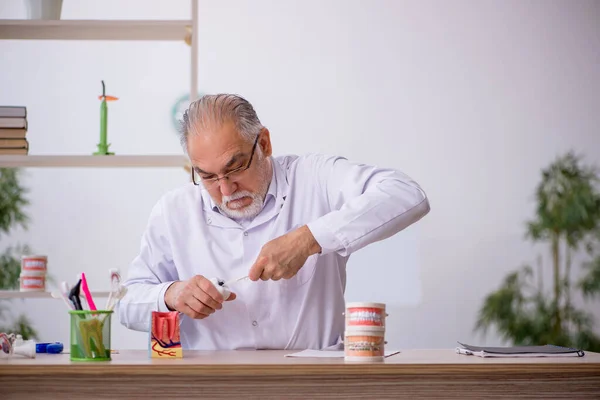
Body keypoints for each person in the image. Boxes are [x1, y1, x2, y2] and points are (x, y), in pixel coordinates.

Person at [118, 94, 430, 350]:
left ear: (264, 143)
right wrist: (171, 295)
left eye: (236, 167)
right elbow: (128, 304)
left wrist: (310, 238)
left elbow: (407, 194)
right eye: (208, 176)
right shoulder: (174, 211)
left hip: (313, 385)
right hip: (210, 389)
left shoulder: (315, 178)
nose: (226, 189)